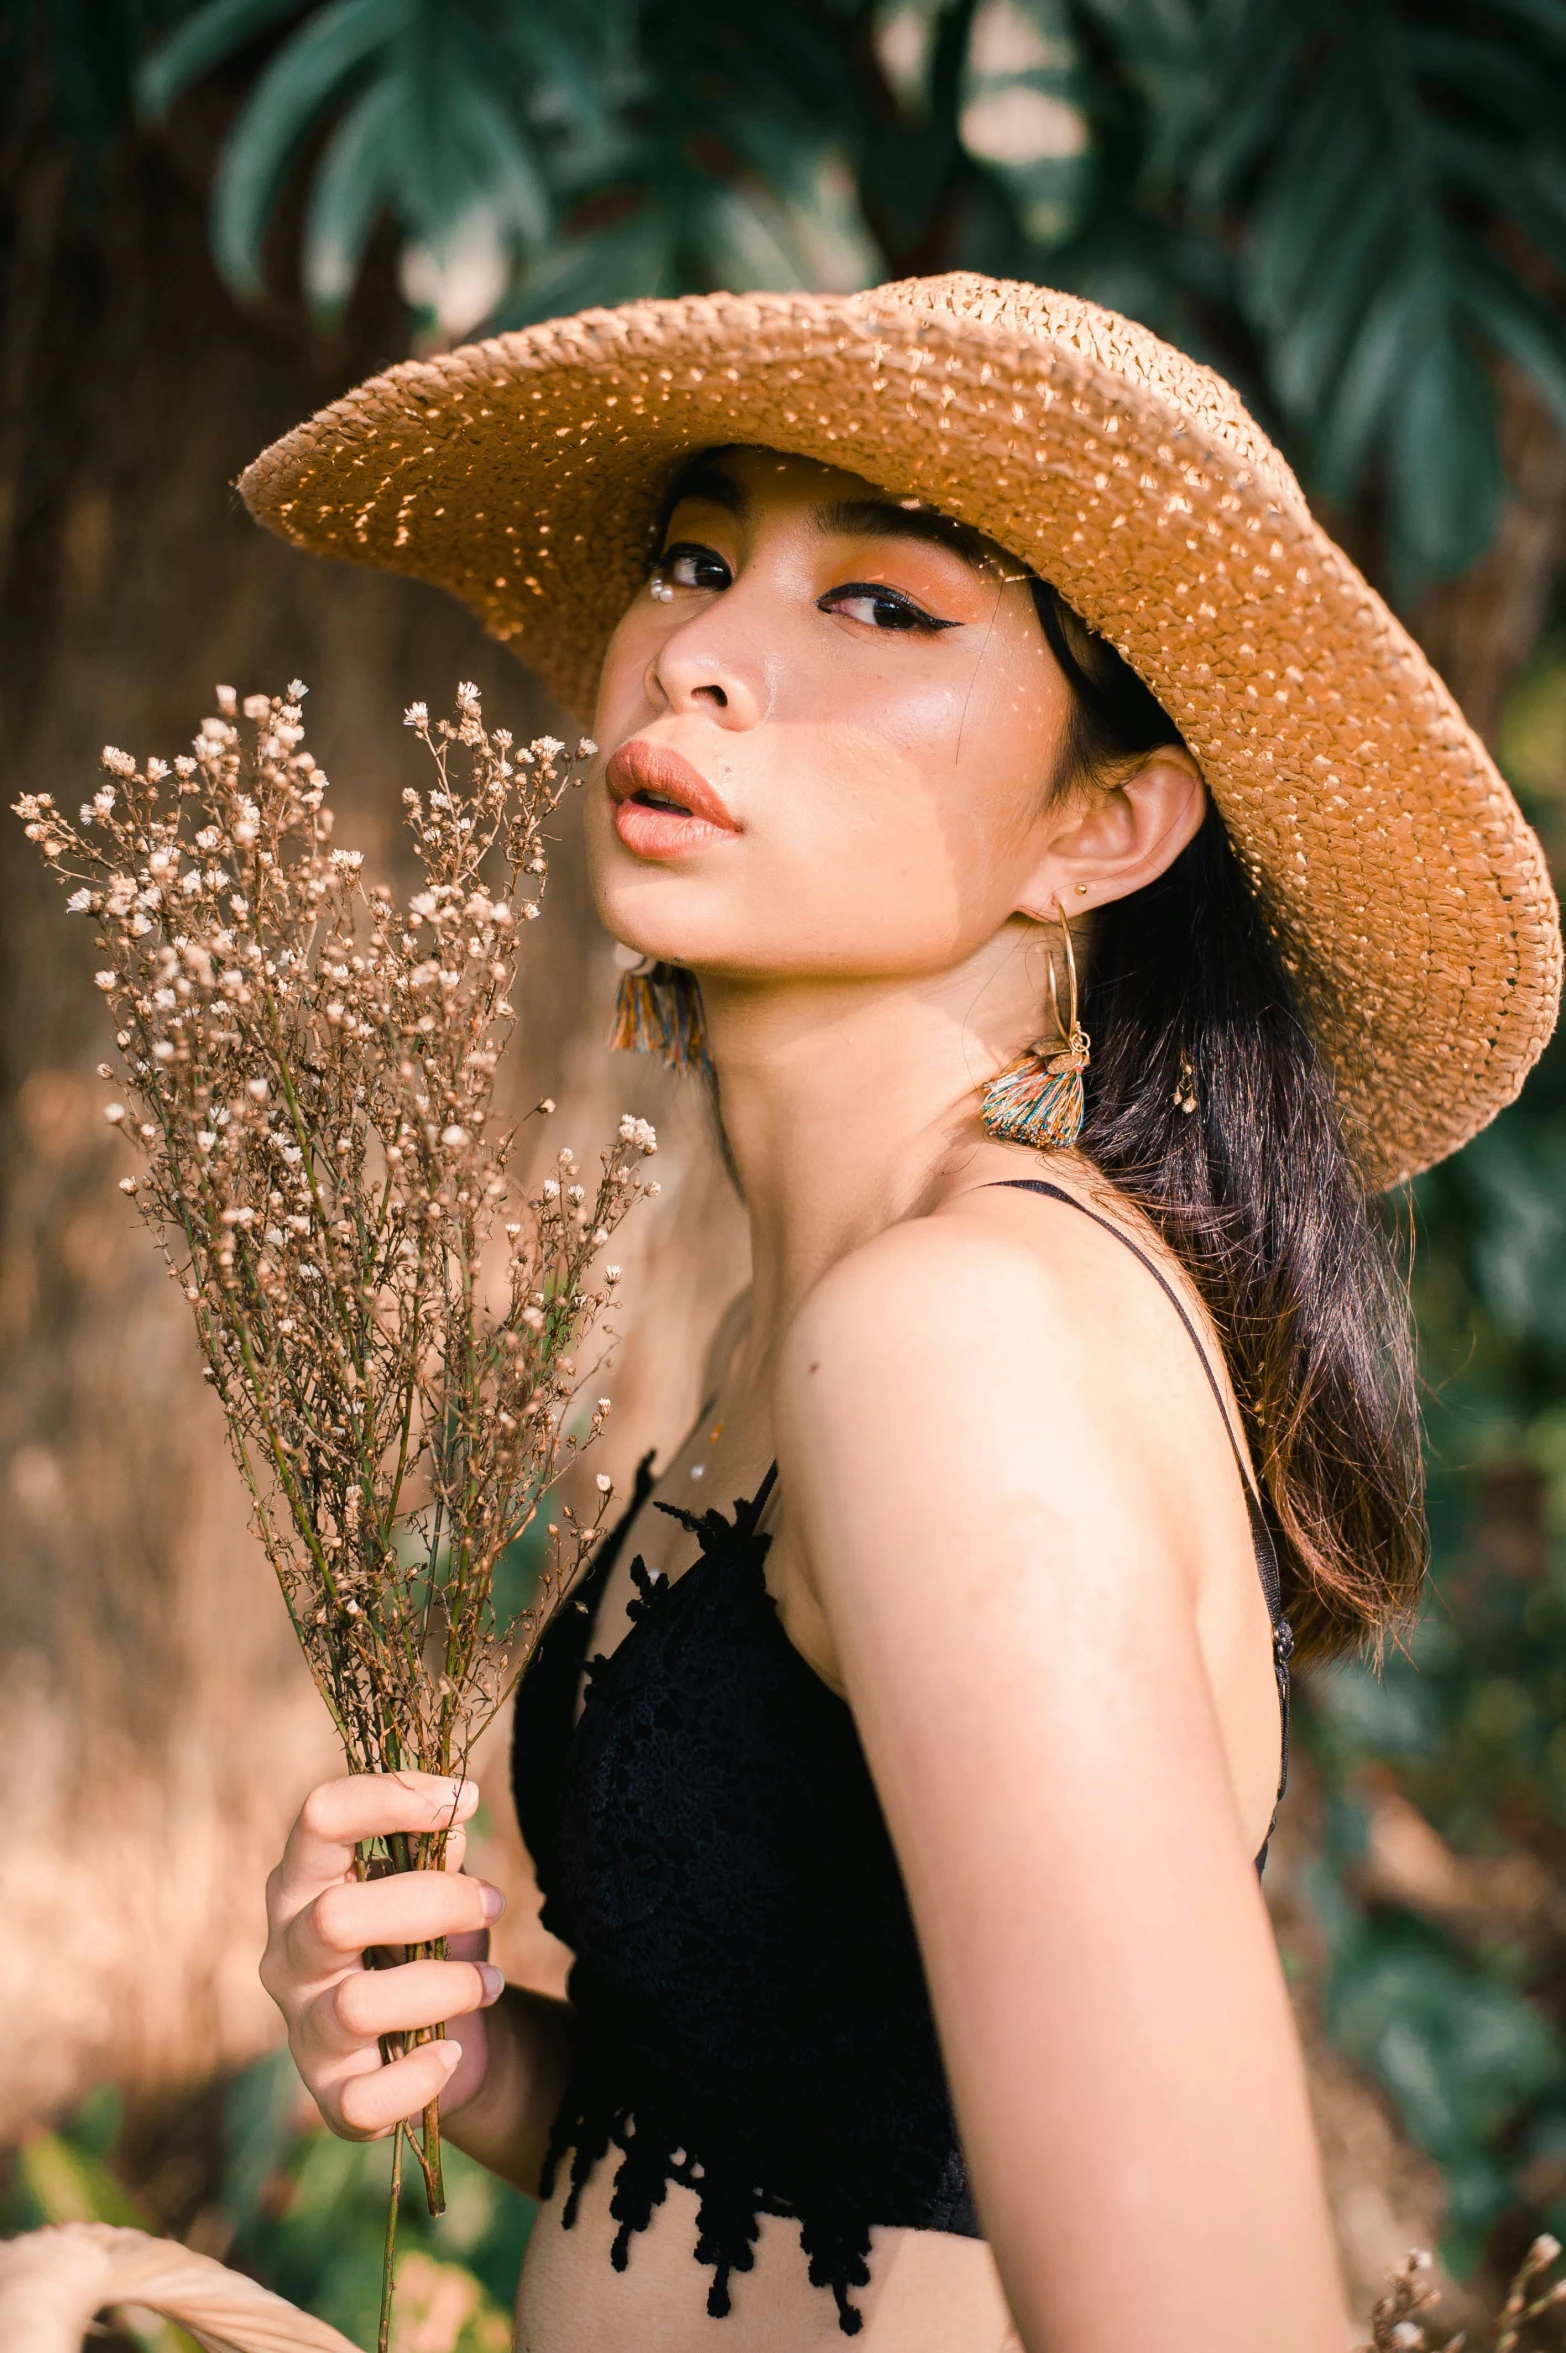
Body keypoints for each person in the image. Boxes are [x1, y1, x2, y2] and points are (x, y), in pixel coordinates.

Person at [244, 276, 1560, 2352]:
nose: (698, 652)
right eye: (694, 561)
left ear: (1102, 827)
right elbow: (834, 2154)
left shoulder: (959, 1348)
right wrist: (481, 2062)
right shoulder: (836, 1315)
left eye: (880, 608)